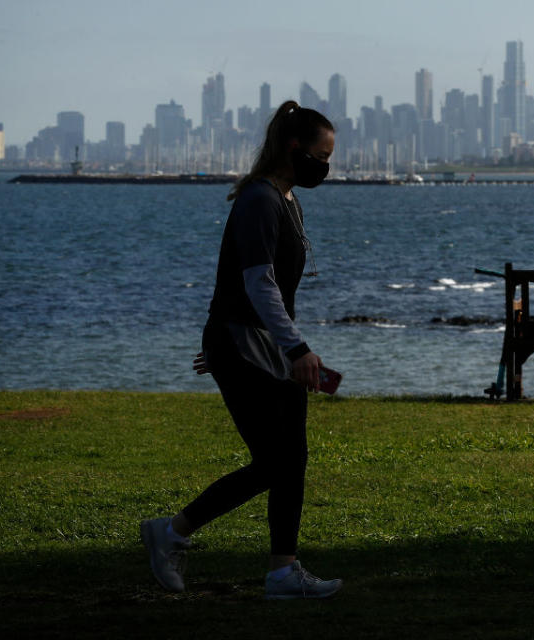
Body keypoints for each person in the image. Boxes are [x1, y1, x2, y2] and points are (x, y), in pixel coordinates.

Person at [140, 100, 342, 600]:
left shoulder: (287, 200)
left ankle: (281, 572)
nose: (327, 165)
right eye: (322, 154)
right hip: (251, 345)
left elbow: (253, 288)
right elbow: (258, 282)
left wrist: (268, 347)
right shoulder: (259, 200)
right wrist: (291, 348)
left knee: (290, 459)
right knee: (276, 461)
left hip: (258, 346)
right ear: (294, 147)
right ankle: (170, 533)